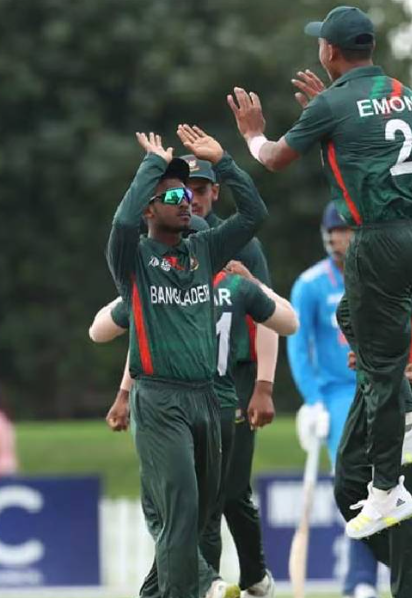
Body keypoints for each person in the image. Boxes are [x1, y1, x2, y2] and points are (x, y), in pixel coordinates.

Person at [228, 5, 412, 543]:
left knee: (381, 367)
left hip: (380, 238)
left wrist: (253, 134)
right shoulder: (403, 92)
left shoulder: (335, 103)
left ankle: (387, 489)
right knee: (351, 317)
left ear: (329, 51)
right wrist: (329, 111)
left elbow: (275, 158)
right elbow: (366, 138)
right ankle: (411, 420)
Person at [92, 219, 297, 598]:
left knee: (165, 512)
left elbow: (99, 330)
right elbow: (289, 322)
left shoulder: (157, 286)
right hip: (223, 408)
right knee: (207, 514)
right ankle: (200, 583)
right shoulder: (235, 285)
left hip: (170, 406)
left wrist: (128, 289)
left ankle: (206, 582)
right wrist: (256, 283)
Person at [106, 126, 267, 598]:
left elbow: (254, 214)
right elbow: (121, 223)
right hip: (161, 400)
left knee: (198, 520)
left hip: (207, 399)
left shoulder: (204, 249)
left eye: (189, 194)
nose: (187, 202)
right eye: (173, 196)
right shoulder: (133, 259)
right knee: (180, 513)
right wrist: (152, 165)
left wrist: (225, 161)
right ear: (148, 208)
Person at [289, 203, 412, 598]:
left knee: (382, 488)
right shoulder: (311, 283)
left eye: (345, 230)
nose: (340, 239)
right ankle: (368, 579)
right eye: (334, 232)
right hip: (337, 393)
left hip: (382, 382)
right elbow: (299, 346)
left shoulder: (384, 265)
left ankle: (373, 579)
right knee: (355, 486)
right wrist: (313, 400)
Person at [183, 155, 279, 596]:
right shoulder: (165, 243)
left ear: (215, 192)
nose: (191, 199)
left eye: (200, 190)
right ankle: (216, 581)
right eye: (183, 191)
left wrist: (264, 385)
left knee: (231, 487)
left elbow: (269, 314)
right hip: (183, 381)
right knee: (204, 489)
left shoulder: (241, 243)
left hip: (235, 376)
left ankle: (250, 575)